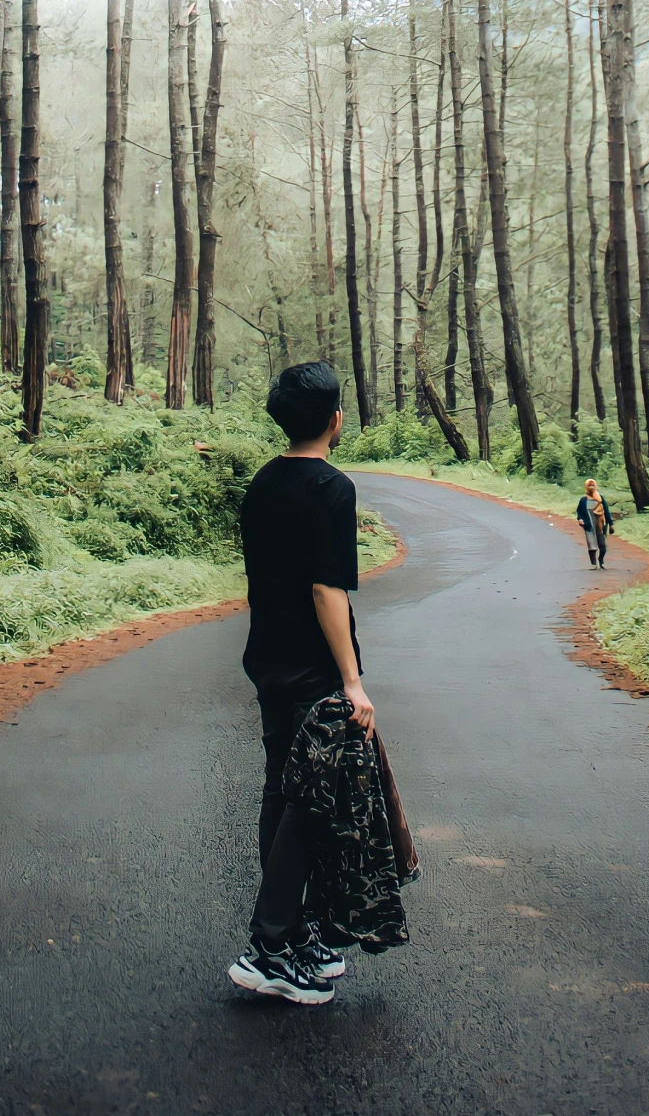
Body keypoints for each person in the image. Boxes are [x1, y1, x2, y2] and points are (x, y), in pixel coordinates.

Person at [228, 360, 373, 1007]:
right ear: (336, 420)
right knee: (312, 802)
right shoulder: (332, 488)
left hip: (267, 658)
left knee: (282, 792)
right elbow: (326, 588)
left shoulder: (262, 482)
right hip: (314, 668)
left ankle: (294, 934)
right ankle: (270, 946)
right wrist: (353, 679)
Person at [576, 476, 613, 569]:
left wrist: (611, 523)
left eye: (593, 485)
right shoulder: (583, 500)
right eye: (590, 485)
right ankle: (593, 563)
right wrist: (580, 519)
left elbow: (606, 511)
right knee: (592, 546)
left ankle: (601, 560)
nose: (591, 486)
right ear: (586, 487)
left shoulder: (600, 498)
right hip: (589, 526)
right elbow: (579, 511)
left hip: (600, 525)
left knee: (602, 546)